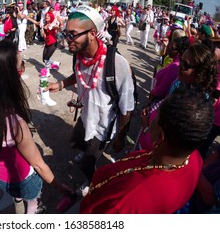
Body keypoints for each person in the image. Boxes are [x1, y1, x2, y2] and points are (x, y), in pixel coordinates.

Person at [0, 40, 73, 214]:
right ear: (8, 77)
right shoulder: (15, 124)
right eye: (20, 66)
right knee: (32, 199)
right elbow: (38, 165)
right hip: (23, 179)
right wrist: (60, 187)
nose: (22, 69)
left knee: (17, 194)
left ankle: (17, 197)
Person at [80, 87, 214, 214]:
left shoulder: (125, 202)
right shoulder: (194, 158)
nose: (151, 118)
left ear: (161, 135)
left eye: (155, 116)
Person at [47, 5, 135, 189]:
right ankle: (86, 152)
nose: (66, 39)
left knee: (87, 164)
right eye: (65, 34)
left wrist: (120, 137)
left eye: (72, 34)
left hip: (103, 124)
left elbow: (126, 108)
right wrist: (60, 84)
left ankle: (92, 183)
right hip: (87, 114)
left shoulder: (117, 64)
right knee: (75, 141)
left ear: (93, 33)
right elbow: (78, 74)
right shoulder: (78, 54)